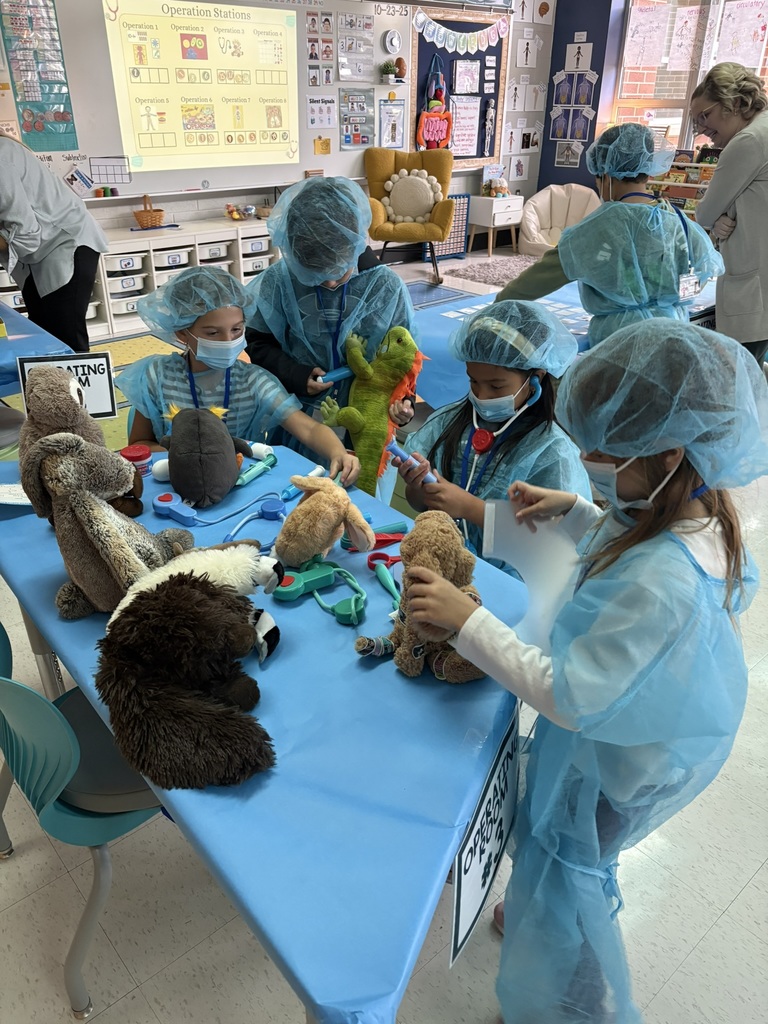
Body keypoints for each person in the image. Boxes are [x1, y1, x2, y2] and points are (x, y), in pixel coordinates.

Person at [405, 321, 768, 1023]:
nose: (586, 456)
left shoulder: (661, 581)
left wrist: (467, 621)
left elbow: (570, 696)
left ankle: (570, 1006)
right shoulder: (687, 510)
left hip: (620, 760)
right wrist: (575, 511)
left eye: (604, 449)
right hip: (646, 730)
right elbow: (625, 537)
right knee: (567, 862)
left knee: (568, 880)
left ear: (668, 454)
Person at [395, 301, 591, 574]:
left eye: (496, 386)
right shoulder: (448, 423)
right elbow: (420, 504)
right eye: (473, 381)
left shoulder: (552, 453)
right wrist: (419, 487)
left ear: (536, 377)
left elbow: (555, 546)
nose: (482, 396)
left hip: (513, 586)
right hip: (442, 567)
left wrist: (469, 507)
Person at [118, 266, 360, 485]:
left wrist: (337, 452)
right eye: (213, 333)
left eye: (237, 330)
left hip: (238, 482)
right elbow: (139, 446)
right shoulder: (156, 377)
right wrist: (186, 457)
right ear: (182, 333)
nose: (228, 341)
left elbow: (307, 428)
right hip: (175, 482)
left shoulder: (252, 381)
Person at [496, 123, 723, 347]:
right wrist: (665, 299)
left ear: (605, 174)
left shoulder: (598, 227)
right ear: (648, 169)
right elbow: (704, 270)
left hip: (618, 339)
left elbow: (539, 278)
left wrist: (498, 305)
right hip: (673, 334)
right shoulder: (679, 221)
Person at [245, 175, 418, 431]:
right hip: (300, 417)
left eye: (338, 272)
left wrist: (404, 400)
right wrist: (296, 374)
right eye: (313, 275)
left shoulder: (385, 288)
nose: (329, 285)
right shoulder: (279, 282)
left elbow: (403, 357)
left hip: (367, 416)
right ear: (293, 253)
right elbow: (258, 341)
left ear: (356, 244)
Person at [0, 130, 108, 353]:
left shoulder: (2, 155)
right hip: (36, 256)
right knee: (40, 336)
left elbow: (26, 234)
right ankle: (47, 386)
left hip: (65, 244)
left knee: (65, 338)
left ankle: (76, 388)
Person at [691, 62, 768, 366]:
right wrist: (726, 217)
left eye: (705, 116)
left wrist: (717, 222)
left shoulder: (747, 141)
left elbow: (705, 213)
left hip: (754, 291)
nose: (701, 129)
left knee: (733, 382)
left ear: (734, 104)